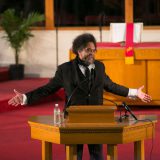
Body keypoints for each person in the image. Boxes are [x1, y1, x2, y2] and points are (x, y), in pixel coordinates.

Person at [8, 33, 152, 160]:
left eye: (94, 50)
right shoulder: (65, 70)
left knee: (97, 156)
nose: (92, 53)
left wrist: (134, 92)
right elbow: (48, 89)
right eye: (88, 50)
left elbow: (111, 85)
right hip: (73, 122)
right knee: (75, 156)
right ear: (78, 50)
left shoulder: (100, 67)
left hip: (97, 121)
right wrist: (25, 97)